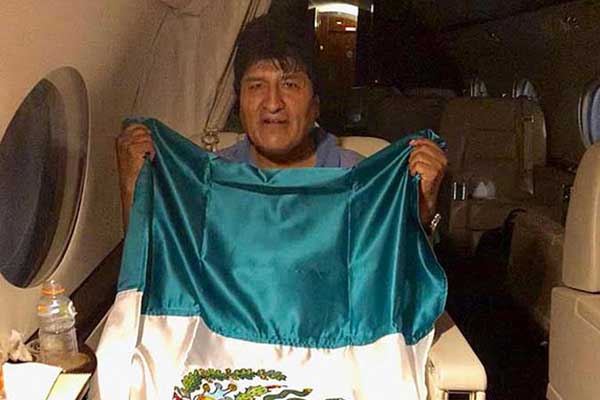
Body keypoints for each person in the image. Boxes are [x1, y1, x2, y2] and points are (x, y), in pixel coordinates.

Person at [116, 15, 447, 230]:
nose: (273, 103)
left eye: (289, 85)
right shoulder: (207, 179)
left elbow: (397, 281)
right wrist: (133, 187)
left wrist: (421, 207)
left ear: (315, 104)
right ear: (240, 103)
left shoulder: (361, 179)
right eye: (256, 86)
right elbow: (159, 275)